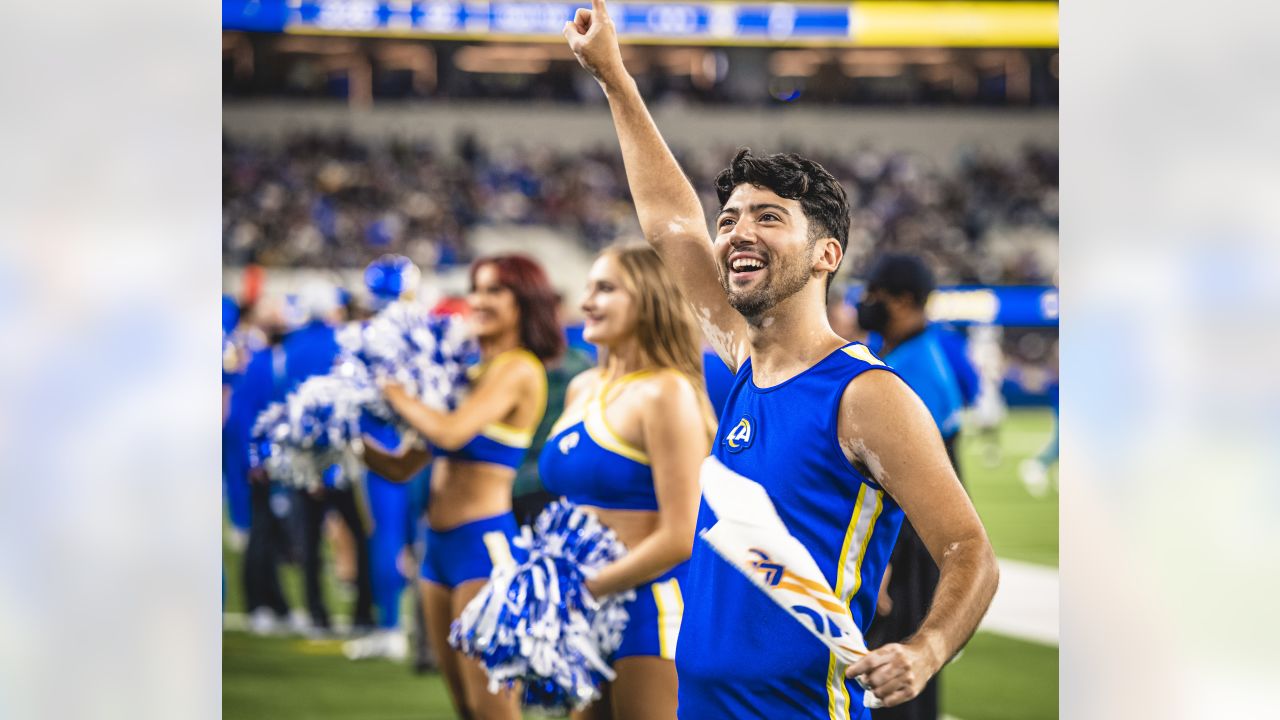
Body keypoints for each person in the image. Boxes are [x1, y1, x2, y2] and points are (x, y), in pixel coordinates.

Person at [563, 5, 999, 717]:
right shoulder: (742, 362)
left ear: (828, 254)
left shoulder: (865, 396)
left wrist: (924, 649)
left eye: (769, 217)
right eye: (731, 217)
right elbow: (672, 223)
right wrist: (613, 76)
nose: (738, 231)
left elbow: (968, 549)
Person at [362, 254, 563, 720]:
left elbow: (450, 433)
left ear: (524, 302)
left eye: (496, 290)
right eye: (477, 288)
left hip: (482, 550)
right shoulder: (466, 374)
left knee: (492, 709)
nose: (479, 300)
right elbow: (400, 468)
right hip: (437, 551)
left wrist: (393, 392)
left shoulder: (519, 368)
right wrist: (342, 440)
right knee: (465, 709)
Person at [539, 244, 715, 720]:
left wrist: (580, 590)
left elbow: (681, 536)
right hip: (590, 604)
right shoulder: (583, 387)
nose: (587, 302)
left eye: (606, 289)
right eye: (589, 288)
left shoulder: (666, 391)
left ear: (651, 299)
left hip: (650, 607)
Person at [854, 253, 967, 720]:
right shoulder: (916, 355)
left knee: (894, 675)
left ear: (901, 301)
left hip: (910, 543)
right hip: (915, 539)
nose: (866, 304)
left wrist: (883, 563)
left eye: (874, 295)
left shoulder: (911, 371)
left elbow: (908, 484)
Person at [343, 255, 425, 660]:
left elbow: (349, 394)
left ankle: (391, 625)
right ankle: (425, 628)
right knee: (420, 535)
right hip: (425, 443)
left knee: (386, 535)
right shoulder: (426, 330)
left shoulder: (365, 335)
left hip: (381, 444)